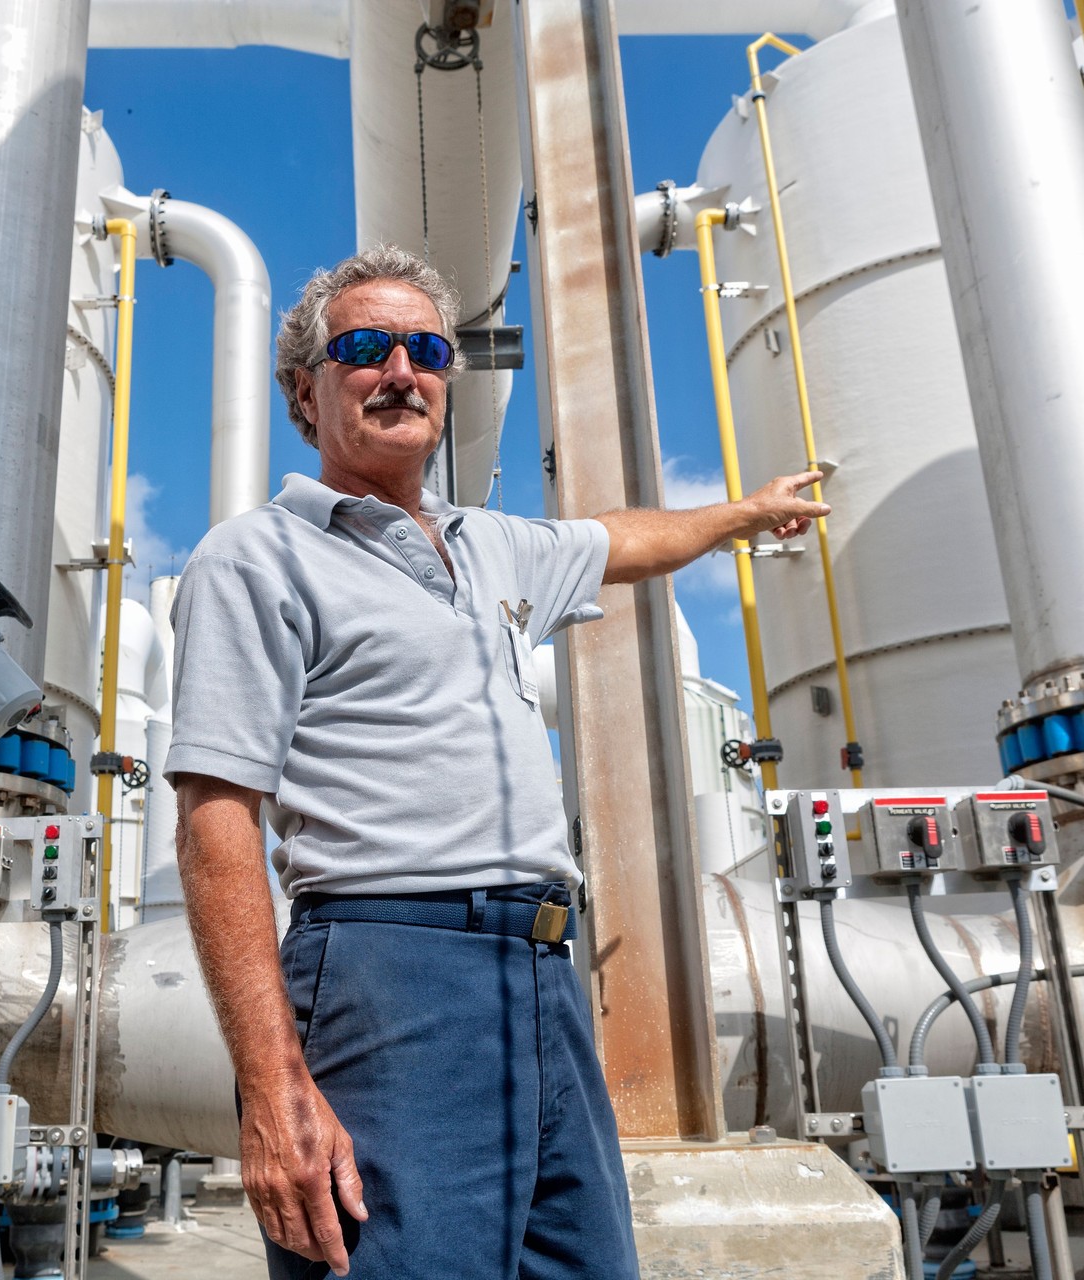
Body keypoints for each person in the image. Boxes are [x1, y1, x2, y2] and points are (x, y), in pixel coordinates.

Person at [164, 244, 826, 1279]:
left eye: (425, 347)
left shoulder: (491, 547)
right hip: (391, 973)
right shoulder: (261, 556)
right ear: (306, 387)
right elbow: (215, 819)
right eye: (365, 347)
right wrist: (274, 1085)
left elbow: (621, 539)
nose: (401, 369)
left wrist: (743, 514)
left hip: (543, 977)